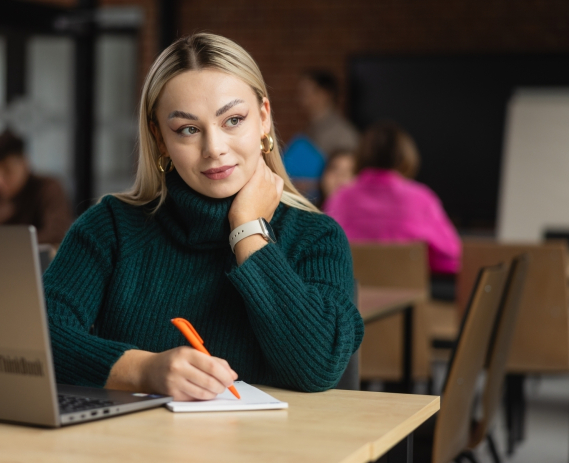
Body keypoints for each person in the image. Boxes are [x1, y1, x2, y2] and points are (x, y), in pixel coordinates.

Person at [43, 33, 364, 401]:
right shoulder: (110, 226)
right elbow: (40, 335)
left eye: (233, 120)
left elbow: (318, 367)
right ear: (160, 138)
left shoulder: (316, 236)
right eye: (188, 130)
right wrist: (144, 371)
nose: (214, 149)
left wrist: (248, 232)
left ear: (262, 119)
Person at [324, 122, 461, 274]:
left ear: (361, 155)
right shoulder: (422, 198)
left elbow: (325, 254)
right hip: (412, 292)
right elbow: (451, 256)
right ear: (405, 157)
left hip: (352, 293)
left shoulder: (340, 198)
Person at [0, 129, 74, 246]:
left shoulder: (48, 188)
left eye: (7, 170)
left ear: (25, 163)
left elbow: (59, 233)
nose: (0, 179)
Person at [298, 69, 359, 157]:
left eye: (305, 93)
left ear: (324, 94)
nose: (301, 100)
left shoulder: (344, 135)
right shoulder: (310, 130)